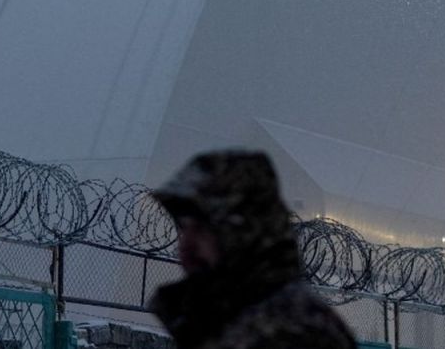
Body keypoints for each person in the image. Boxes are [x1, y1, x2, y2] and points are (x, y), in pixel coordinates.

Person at [148, 149, 356, 349]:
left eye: (203, 228)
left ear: (243, 231)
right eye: (185, 227)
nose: (186, 244)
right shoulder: (214, 317)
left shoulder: (297, 330)